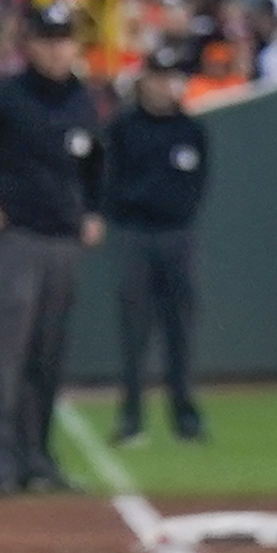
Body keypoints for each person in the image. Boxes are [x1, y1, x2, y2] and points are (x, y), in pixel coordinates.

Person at [0, 3, 106, 493]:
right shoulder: (3, 96)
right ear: (30, 45)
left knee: (47, 358)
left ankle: (36, 461)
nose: (58, 48)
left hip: (63, 240)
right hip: (14, 239)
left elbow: (98, 162)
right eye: (48, 39)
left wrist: (95, 209)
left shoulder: (83, 99)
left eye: (65, 39)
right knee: (2, 357)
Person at [101, 58, 212, 445]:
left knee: (180, 330)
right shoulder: (123, 129)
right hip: (135, 235)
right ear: (143, 81)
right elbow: (108, 180)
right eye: (158, 77)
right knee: (135, 332)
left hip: (177, 235)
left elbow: (198, 185)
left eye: (170, 78)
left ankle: (185, 417)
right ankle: (132, 418)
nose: (164, 86)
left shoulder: (191, 130)